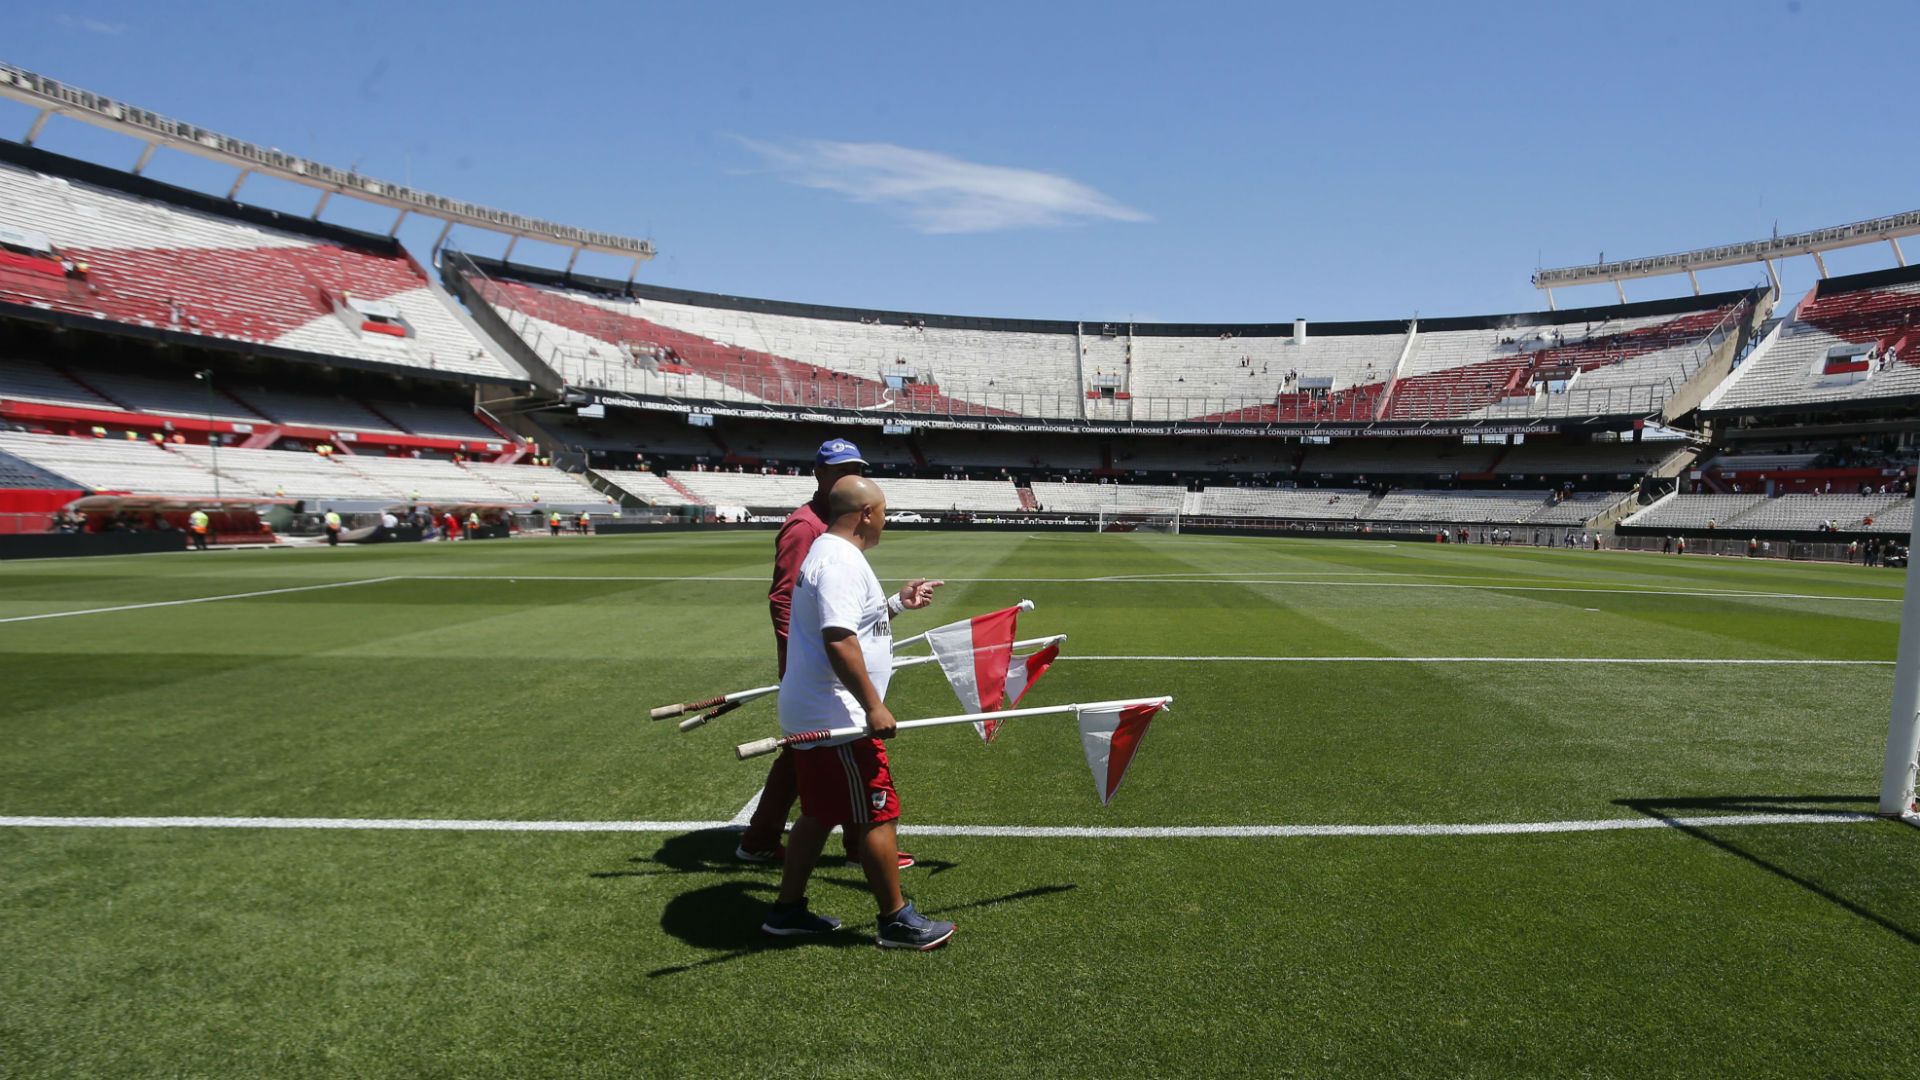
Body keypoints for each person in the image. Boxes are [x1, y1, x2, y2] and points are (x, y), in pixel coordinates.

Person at [760, 475, 956, 950]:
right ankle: (896, 920)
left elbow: (853, 623)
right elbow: (838, 639)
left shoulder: (829, 553)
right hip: (839, 717)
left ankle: (787, 911)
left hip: (816, 711)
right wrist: (873, 706)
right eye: (885, 511)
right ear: (866, 514)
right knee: (877, 814)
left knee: (819, 813)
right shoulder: (842, 561)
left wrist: (896, 605)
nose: (887, 520)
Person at [740, 438, 941, 869]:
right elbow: (789, 603)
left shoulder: (835, 526)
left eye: (856, 467)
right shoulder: (807, 528)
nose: (851, 475)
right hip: (822, 676)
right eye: (841, 468)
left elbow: (848, 613)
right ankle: (859, 844)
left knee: (808, 758)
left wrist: (895, 605)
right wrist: (798, 662)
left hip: (827, 673)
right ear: (820, 474)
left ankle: (792, 842)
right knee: (820, 754)